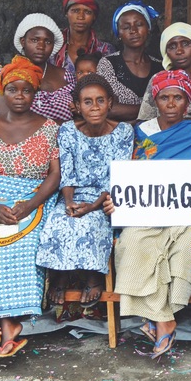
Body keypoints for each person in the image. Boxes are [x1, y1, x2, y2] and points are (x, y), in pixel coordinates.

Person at [0, 56, 61, 361]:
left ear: (35, 93)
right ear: (3, 91)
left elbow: (54, 175)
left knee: (26, 243)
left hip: (35, 196)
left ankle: (6, 325)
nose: (19, 96)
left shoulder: (50, 127)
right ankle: (9, 326)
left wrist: (29, 205)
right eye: (13, 89)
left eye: (26, 90)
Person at [111, 70, 191, 358]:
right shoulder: (137, 133)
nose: (170, 103)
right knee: (131, 244)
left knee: (187, 246)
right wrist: (117, 198)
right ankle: (165, 321)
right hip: (145, 212)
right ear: (155, 100)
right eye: (164, 97)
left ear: (186, 103)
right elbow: (126, 175)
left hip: (183, 213)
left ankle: (158, 318)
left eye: (177, 98)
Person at [36, 74, 134, 309]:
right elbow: (66, 173)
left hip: (107, 197)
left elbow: (117, 177)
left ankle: (93, 277)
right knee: (58, 220)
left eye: (100, 100)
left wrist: (92, 206)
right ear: (77, 106)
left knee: (92, 222)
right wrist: (69, 202)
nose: (95, 107)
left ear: (110, 103)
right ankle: (59, 275)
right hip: (73, 194)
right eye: (87, 102)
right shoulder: (68, 131)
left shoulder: (124, 132)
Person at [138, 22, 191, 127]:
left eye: (186, 44)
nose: (179, 51)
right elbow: (144, 122)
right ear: (166, 53)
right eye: (172, 46)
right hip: (169, 139)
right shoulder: (159, 79)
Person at [96, 1, 162, 122]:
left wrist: (126, 110)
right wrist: (154, 109)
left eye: (139, 24)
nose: (133, 30)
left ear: (148, 29)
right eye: (126, 27)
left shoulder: (160, 67)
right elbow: (108, 108)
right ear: (119, 34)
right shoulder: (108, 64)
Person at [12, 13, 75, 123]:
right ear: (23, 42)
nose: (41, 47)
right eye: (35, 40)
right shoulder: (8, 74)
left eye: (47, 42)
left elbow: (81, 112)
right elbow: (8, 117)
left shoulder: (66, 75)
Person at [50, 0, 114, 77]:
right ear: (66, 13)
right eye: (75, 11)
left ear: (94, 16)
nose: (81, 17)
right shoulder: (53, 47)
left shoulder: (105, 50)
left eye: (87, 12)